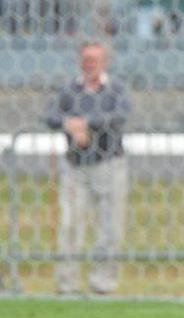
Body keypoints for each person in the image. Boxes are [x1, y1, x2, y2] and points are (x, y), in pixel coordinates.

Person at [44, 41, 131, 294]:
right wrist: (69, 125)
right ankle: (66, 284)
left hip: (109, 164)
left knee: (109, 227)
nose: (90, 63)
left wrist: (86, 124)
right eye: (86, 59)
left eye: (95, 59)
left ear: (105, 62)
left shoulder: (115, 89)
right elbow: (49, 115)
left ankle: (102, 283)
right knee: (70, 224)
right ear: (79, 61)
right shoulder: (69, 90)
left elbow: (120, 115)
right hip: (76, 166)